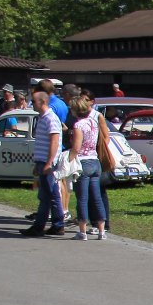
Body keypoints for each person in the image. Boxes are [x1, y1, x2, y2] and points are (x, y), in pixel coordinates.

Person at [21, 90, 64, 237]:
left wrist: (49, 162)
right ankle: (57, 225)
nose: (31, 104)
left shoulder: (50, 118)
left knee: (47, 195)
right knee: (49, 194)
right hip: (42, 161)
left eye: (33, 101)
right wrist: (37, 163)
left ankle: (41, 226)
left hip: (48, 162)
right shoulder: (41, 118)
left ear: (43, 102)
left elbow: (55, 141)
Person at [66, 95, 107, 240]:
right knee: (96, 197)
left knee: (82, 198)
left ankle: (82, 231)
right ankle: (101, 230)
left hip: (83, 162)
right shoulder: (92, 122)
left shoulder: (78, 125)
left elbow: (76, 147)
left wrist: (68, 160)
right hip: (95, 161)